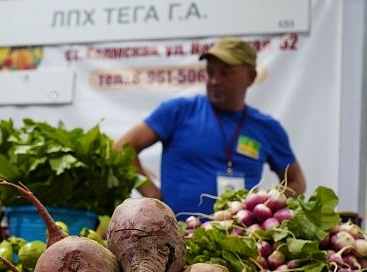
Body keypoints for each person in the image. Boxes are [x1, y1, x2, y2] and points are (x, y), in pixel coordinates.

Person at [114, 37, 306, 216]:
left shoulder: (267, 128)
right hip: (178, 236)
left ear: (251, 76)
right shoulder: (179, 111)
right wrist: (152, 196)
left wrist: (269, 207)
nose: (214, 81)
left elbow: (297, 182)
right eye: (211, 72)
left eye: (225, 73)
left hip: (242, 241)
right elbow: (122, 148)